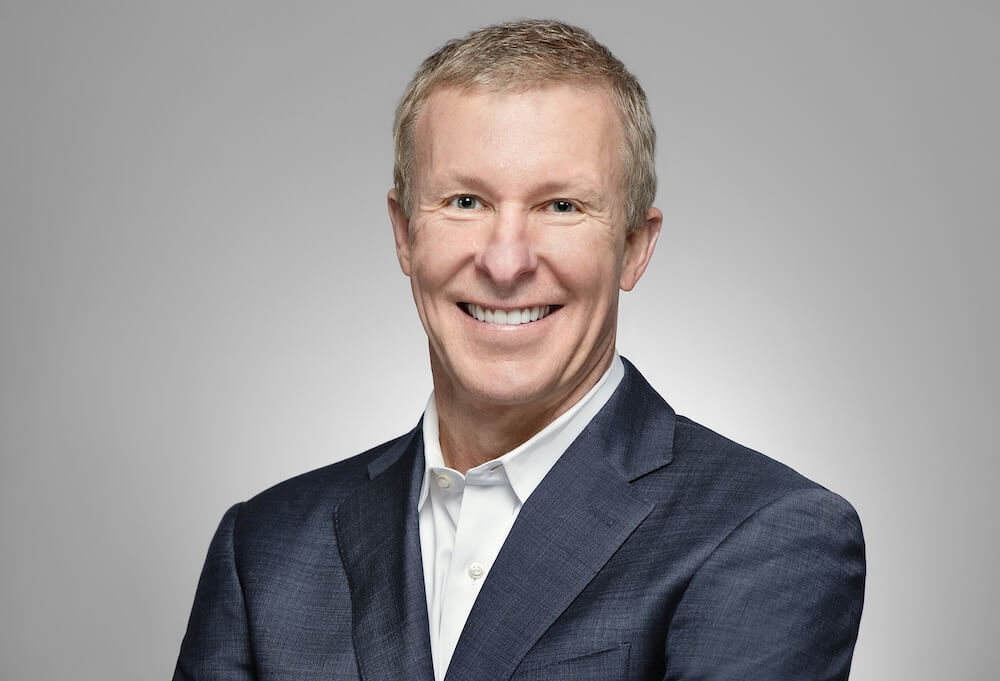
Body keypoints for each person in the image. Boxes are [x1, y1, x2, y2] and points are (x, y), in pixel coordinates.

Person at [174, 19, 865, 681]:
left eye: (561, 206)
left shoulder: (766, 534)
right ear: (404, 234)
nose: (506, 263)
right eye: (465, 201)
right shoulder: (264, 549)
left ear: (634, 246)